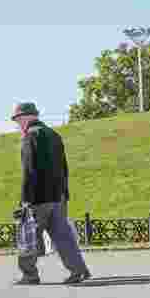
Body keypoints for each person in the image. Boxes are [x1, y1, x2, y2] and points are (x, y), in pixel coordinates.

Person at [12, 102, 91, 286]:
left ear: (25, 119)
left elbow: (29, 171)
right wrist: (64, 193)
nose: (18, 125)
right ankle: (78, 270)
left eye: (18, 121)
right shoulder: (54, 135)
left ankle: (29, 275)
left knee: (28, 236)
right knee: (63, 236)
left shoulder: (30, 137)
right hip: (58, 196)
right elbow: (64, 167)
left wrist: (25, 200)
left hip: (39, 198)